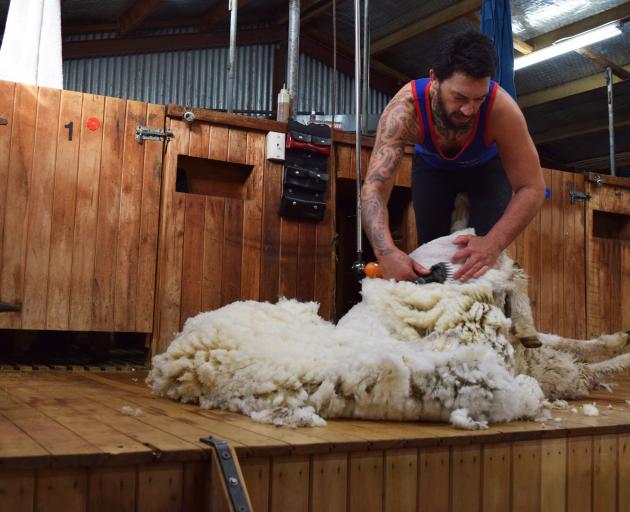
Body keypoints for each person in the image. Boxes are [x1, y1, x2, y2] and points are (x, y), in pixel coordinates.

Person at [361, 30, 545, 282]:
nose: (469, 110)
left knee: (484, 264)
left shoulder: (501, 109)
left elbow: (532, 187)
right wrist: (386, 252)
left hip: (486, 169)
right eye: (459, 97)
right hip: (432, 168)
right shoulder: (405, 110)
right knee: (431, 254)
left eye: (478, 98)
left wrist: (493, 242)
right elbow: (373, 190)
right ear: (434, 79)